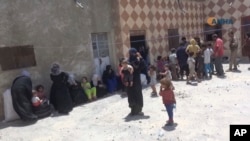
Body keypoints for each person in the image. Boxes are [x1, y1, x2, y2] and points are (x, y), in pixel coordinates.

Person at [126, 48, 146, 115]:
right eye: (130, 53)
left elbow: (143, 66)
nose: (132, 54)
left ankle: (138, 109)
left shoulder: (138, 60)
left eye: (133, 53)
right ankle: (133, 109)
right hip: (130, 80)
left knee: (137, 93)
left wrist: (140, 58)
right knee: (131, 94)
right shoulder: (128, 61)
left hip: (136, 80)